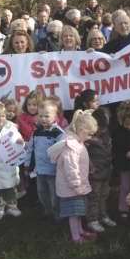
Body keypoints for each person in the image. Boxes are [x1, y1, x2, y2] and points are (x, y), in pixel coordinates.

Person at [47, 109, 97, 244]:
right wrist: (77, 185)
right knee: (73, 213)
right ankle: (76, 237)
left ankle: (80, 231)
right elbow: (71, 169)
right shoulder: (71, 146)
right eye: (89, 134)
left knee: (78, 210)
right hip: (71, 188)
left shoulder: (76, 141)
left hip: (76, 186)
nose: (90, 138)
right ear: (80, 130)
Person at [24, 100, 65, 219]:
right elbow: (30, 149)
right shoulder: (36, 132)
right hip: (40, 170)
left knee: (54, 194)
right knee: (41, 192)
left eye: (47, 116)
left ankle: (57, 214)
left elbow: (62, 153)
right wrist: (27, 164)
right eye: (41, 116)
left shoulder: (59, 133)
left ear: (55, 116)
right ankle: (47, 210)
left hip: (53, 171)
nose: (43, 119)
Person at [85, 108, 116, 232]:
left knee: (104, 195)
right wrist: (90, 166)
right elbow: (84, 154)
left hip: (106, 170)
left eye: (104, 127)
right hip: (94, 173)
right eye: (100, 127)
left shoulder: (106, 134)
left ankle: (103, 215)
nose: (102, 130)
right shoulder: (87, 137)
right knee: (94, 196)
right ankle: (92, 219)